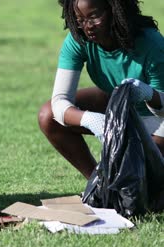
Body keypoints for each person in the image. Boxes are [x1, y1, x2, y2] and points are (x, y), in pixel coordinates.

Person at [38, 0, 164, 179]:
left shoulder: (150, 42)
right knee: (48, 115)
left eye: (94, 16)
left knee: (144, 179)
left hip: (157, 118)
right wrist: (91, 119)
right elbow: (59, 102)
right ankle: (98, 182)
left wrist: (147, 93)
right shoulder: (79, 38)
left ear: (115, 10)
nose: (87, 26)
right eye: (79, 19)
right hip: (119, 106)